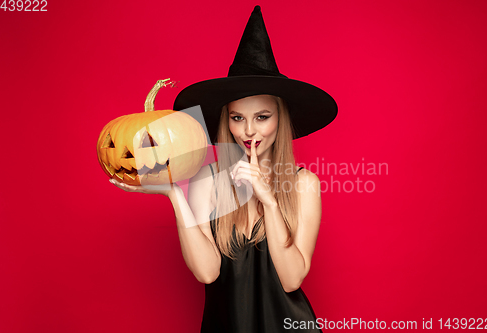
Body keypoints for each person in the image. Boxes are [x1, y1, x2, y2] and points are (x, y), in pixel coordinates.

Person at [111, 6, 337, 332]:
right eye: (237, 118)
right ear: (225, 121)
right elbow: (207, 273)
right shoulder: (209, 179)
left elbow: (291, 279)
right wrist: (176, 195)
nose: (248, 131)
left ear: (280, 119)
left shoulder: (304, 184)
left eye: (262, 117)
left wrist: (269, 202)